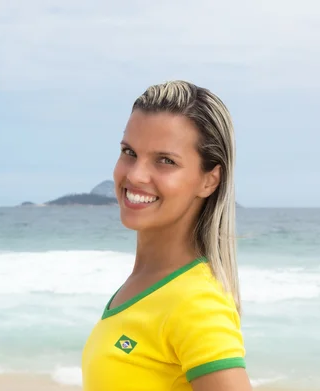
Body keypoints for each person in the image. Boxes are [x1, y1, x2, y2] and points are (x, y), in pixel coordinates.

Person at [81, 80, 251, 390]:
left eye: (165, 161)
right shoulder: (143, 286)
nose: (135, 175)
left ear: (209, 181)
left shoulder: (196, 303)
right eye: (129, 152)